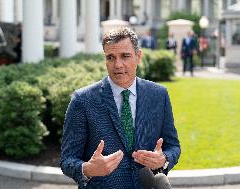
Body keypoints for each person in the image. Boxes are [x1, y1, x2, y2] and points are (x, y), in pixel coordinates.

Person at [60, 27, 181, 189]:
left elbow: (173, 146)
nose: (118, 64)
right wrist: (87, 169)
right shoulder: (82, 101)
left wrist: (164, 159)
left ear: (138, 57)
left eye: (125, 56)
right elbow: (67, 159)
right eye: (111, 57)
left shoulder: (159, 95)